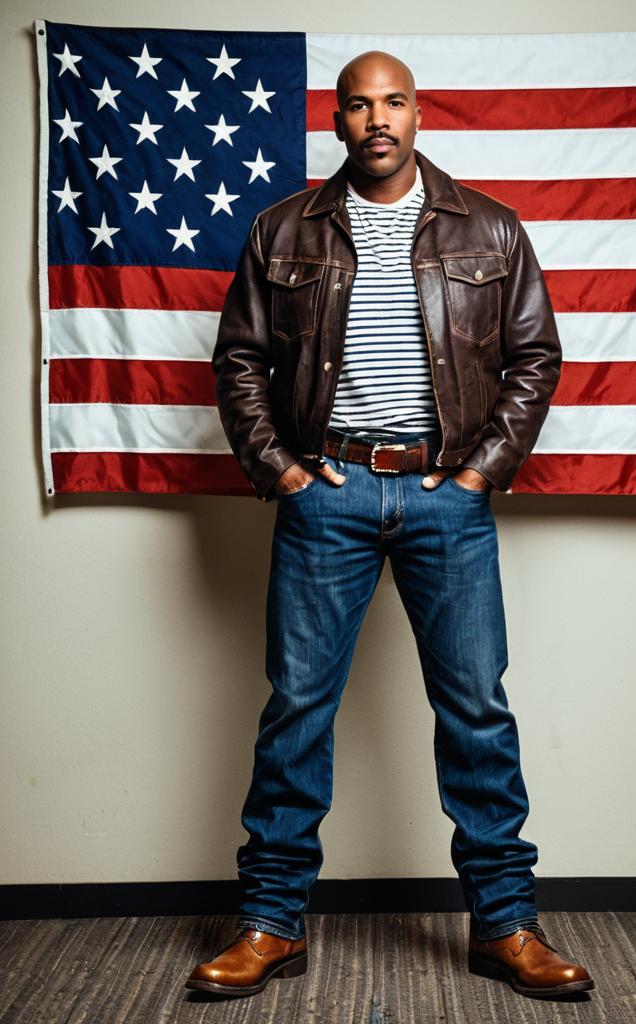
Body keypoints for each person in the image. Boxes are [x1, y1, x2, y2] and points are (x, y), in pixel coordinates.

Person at [185, 50, 595, 1001]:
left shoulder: (489, 226)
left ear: (417, 115)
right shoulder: (283, 227)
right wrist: (283, 471)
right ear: (336, 120)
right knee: (298, 707)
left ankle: (506, 925)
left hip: (445, 498)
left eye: (394, 101)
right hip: (325, 496)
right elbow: (239, 359)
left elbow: (535, 355)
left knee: (476, 709)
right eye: (359, 104)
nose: (378, 118)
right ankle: (270, 922)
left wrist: (479, 472)